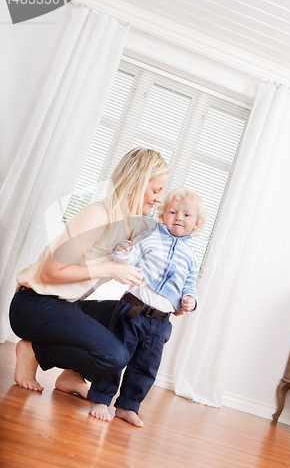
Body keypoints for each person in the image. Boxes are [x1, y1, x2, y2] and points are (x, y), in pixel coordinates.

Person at [9, 148, 170, 427]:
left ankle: (72, 375)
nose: (159, 198)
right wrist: (109, 268)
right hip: (34, 304)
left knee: (132, 314)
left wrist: (177, 298)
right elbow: (50, 271)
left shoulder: (136, 227)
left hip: (67, 305)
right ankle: (34, 350)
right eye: (155, 190)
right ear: (136, 184)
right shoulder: (99, 214)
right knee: (114, 356)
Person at [88, 188, 206, 426]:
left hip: (161, 322)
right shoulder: (151, 237)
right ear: (163, 214)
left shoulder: (191, 257)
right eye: (172, 212)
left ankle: (128, 405)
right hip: (133, 310)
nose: (178, 217)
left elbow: (189, 284)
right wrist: (123, 253)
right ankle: (100, 398)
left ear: (196, 223)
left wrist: (191, 300)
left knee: (146, 366)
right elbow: (131, 259)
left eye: (186, 215)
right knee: (117, 356)